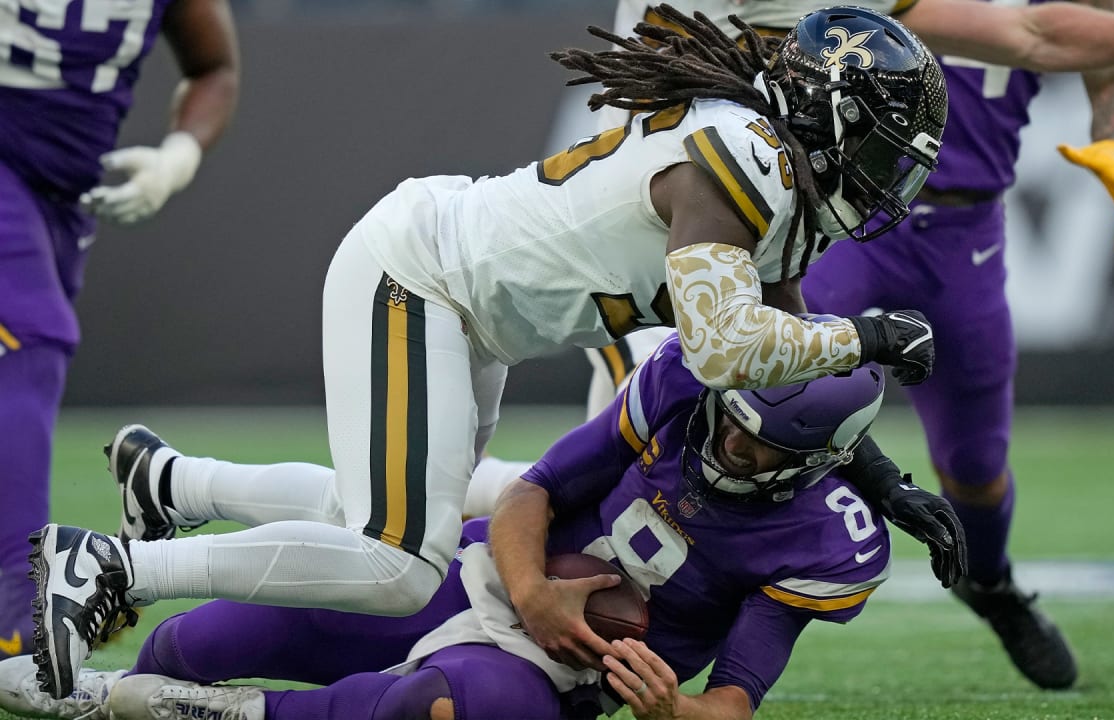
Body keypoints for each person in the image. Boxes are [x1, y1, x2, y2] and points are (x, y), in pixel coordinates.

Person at [26, 6, 951, 700]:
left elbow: (785, 371)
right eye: (881, 149)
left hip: (469, 310)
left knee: (373, 518)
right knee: (398, 565)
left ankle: (177, 488)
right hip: (424, 276)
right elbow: (721, 349)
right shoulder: (744, 157)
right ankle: (111, 568)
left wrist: (885, 480)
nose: (887, 179)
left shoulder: (780, 193)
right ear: (827, 116)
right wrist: (870, 332)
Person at [543, 0, 1114, 693]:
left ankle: (990, 586)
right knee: (763, 404)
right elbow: (1019, 32)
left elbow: (1109, 86)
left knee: (976, 465)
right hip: (848, 219)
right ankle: (668, 577)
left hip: (969, 234)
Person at [0, 331, 964, 720]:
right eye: (731, 419)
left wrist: (671, 710)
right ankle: (138, 659)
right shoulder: (685, 379)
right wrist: (537, 589)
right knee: (192, 642)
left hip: (555, 671)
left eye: (759, 451)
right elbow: (531, 491)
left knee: (440, 713)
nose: (729, 446)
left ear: (816, 461)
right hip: (483, 575)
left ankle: (227, 714)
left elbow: (733, 704)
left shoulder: (829, 540)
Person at [0, 0, 240, 661]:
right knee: (33, 334)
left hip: (64, 194)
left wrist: (179, 155)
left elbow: (214, 65)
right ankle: (17, 623)